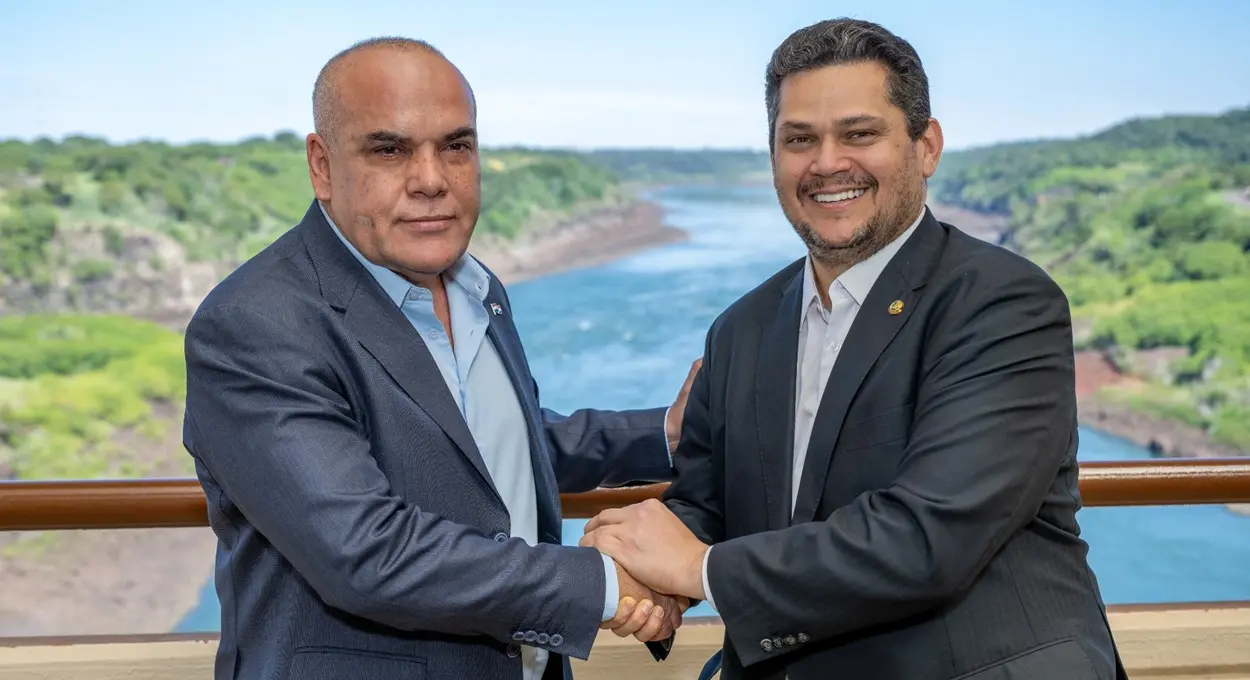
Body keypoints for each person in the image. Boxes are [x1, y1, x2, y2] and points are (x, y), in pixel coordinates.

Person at [580, 17, 1129, 680]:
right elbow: (707, 504)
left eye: (859, 134)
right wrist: (635, 566)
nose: (827, 163)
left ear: (926, 147)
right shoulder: (741, 328)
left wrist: (697, 569)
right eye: (799, 139)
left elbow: (928, 538)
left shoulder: (1002, 302)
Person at [182, 37, 692, 680]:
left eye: (455, 146)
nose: (431, 180)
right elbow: (368, 553)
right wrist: (610, 585)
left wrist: (666, 434)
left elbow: (490, 451)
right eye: (389, 150)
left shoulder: (478, 289)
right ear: (321, 165)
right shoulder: (254, 322)